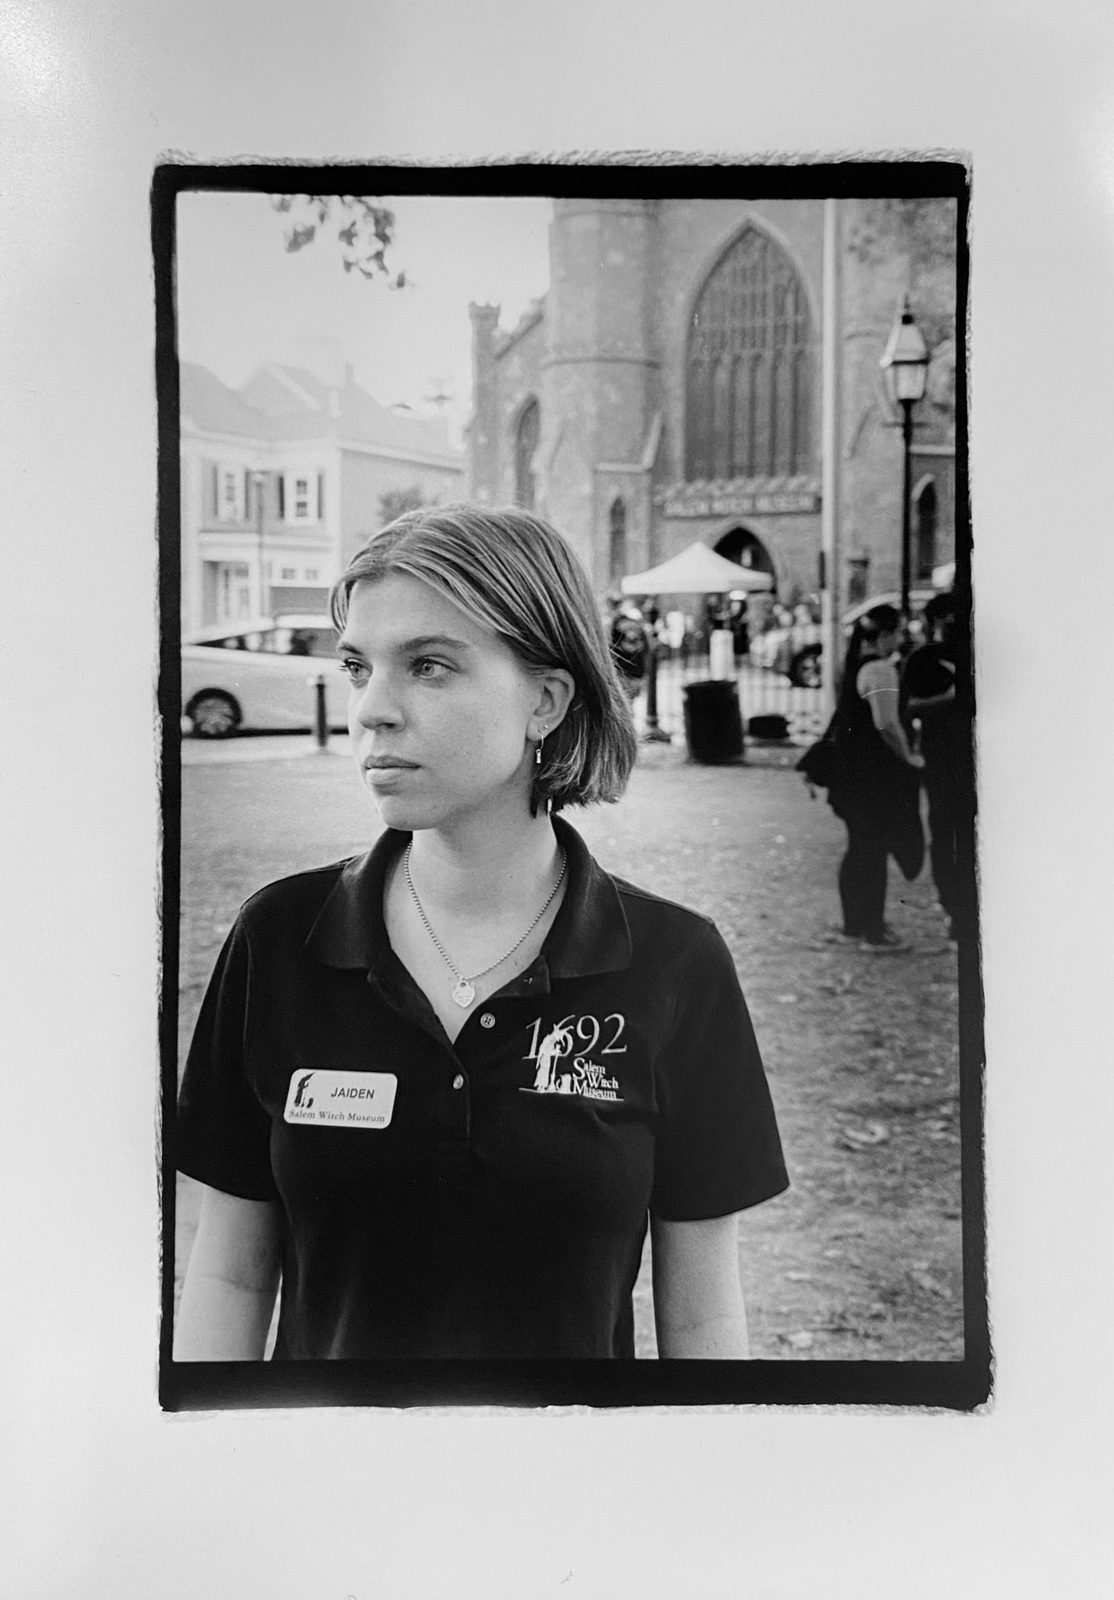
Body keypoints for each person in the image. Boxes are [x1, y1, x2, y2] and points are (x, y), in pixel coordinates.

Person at [175, 504, 788, 1362]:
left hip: (566, 1491)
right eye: (358, 667)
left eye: (428, 666)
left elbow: (703, 1319)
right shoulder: (279, 939)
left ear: (545, 699)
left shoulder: (673, 962)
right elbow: (230, 1280)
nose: (371, 711)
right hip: (323, 1489)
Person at [825, 604, 925, 952]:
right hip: (873, 778)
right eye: (898, 631)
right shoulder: (880, 669)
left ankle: (854, 926)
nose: (901, 637)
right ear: (884, 635)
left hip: (850, 775)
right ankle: (874, 933)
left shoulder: (851, 663)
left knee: (859, 849)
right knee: (873, 852)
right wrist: (909, 756)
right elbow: (887, 724)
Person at [902, 592, 973, 942]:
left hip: (977, 764)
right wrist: (949, 699)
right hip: (943, 763)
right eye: (945, 619)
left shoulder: (978, 651)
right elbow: (910, 707)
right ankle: (956, 910)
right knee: (946, 837)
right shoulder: (923, 660)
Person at [608, 602, 649, 704]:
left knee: (624, 704)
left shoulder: (616, 627)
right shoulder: (639, 629)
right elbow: (646, 649)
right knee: (628, 704)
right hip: (635, 674)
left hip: (623, 674)